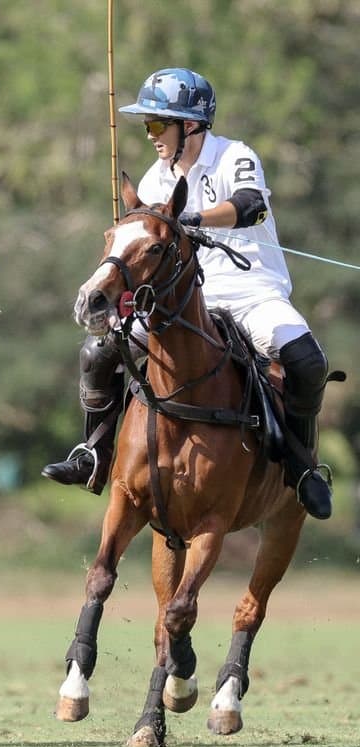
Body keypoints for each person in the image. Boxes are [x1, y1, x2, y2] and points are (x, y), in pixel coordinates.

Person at [42, 67, 334, 519]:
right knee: (97, 353)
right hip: (184, 302)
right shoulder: (154, 180)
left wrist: (193, 218)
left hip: (253, 293)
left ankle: (301, 467)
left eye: (158, 124)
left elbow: (251, 206)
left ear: (191, 124)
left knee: (306, 360)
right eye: (147, 125)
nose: (151, 135)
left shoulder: (234, 155)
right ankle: (94, 454)